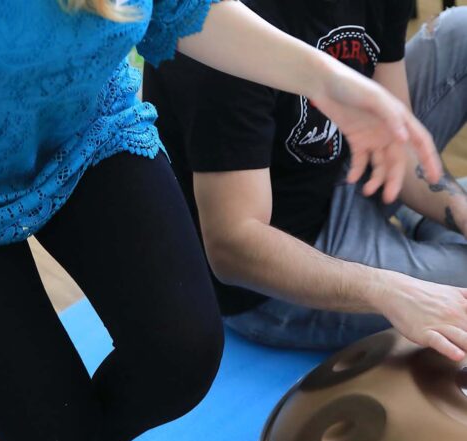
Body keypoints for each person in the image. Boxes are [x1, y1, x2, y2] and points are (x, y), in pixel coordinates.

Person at [0, 0, 442, 441]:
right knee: (44, 440)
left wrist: (329, 80)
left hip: (84, 128)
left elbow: (186, 9)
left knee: (181, 355)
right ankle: (26, 410)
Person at [144, 1, 467, 360]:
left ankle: (415, 227)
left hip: (345, 168)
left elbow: (397, 153)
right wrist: (388, 290)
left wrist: (461, 212)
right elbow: (232, 248)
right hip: (275, 273)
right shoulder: (221, 29)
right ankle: (413, 235)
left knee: (463, 29)